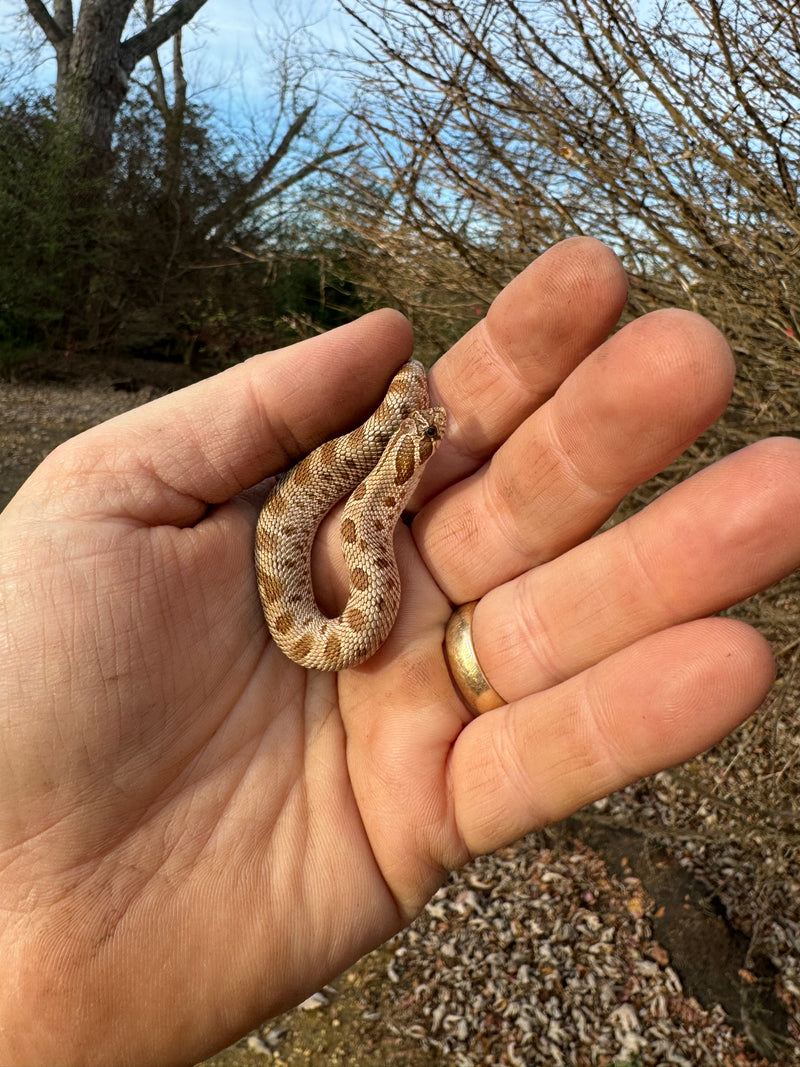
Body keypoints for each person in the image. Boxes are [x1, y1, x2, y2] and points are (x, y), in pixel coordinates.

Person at [0, 237, 797, 1067]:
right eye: (421, 435)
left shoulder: (377, 509)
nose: (430, 429)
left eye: (418, 431)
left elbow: (371, 506)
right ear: (405, 471)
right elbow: (361, 513)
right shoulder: (369, 512)